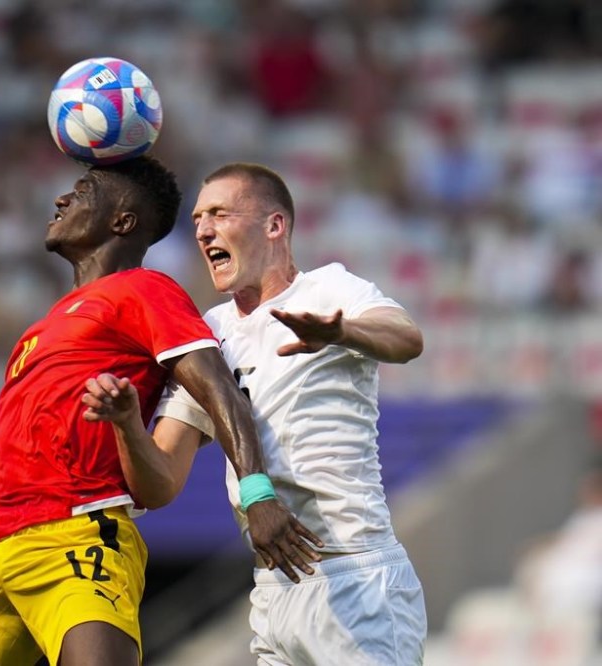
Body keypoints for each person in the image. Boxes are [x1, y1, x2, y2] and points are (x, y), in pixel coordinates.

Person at [0, 156, 322, 666]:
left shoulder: (145, 290)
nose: (61, 197)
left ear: (122, 221)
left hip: (81, 538)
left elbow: (220, 392)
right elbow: (11, 476)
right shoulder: (42, 332)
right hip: (0, 554)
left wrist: (258, 495)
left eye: (84, 191)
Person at [82, 162, 427, 665]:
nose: (202, 230)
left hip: (354, 576)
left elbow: (406, 338)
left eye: (219, 213)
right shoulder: (209, 333)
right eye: (199, 219)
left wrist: (341, 333)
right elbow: (162, 480)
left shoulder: (329, 290)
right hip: (273, 587)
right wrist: (126, 422)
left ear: (274, 225)